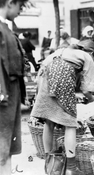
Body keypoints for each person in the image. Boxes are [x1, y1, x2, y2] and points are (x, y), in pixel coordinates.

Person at [30, 40, 94, 175]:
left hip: (45, 82)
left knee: (49, 122)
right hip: (61, 80)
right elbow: (86, 89)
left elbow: (42, 74)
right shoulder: (87, 57)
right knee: (70, 124)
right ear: (91, 52)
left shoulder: (60, 51)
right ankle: (70, 168)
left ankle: (50, 163)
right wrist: (90, 99)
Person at [0, 0, 28, 174]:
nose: (21, 10)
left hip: (11, 93)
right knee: (2, 146)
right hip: (4, 94)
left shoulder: (5, 27)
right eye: (20, 6)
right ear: (11, 3)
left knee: (7, 145)